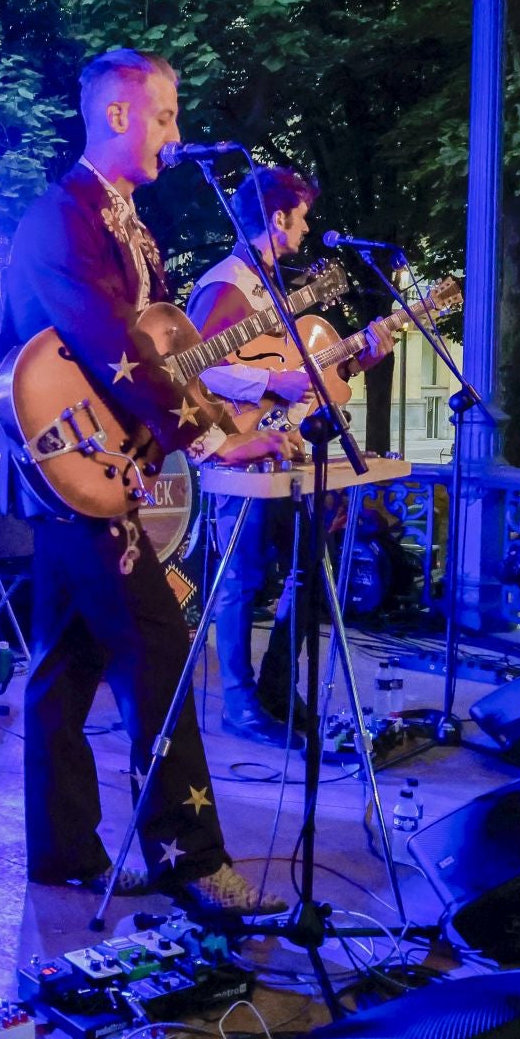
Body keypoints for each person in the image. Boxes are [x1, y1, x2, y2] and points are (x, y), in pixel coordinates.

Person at [0, 47, 287, 917]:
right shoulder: (63, 216)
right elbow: (102, 344)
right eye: (164, 115)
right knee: (158, 648)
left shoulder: (133, 226)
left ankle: (61, 852)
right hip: (73, 477)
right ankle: (188, 856)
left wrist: (219, 419)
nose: (176, 133)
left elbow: (160, 352)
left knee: (64, 664)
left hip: (96, 475)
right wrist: (205, 439)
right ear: (117, 115)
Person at [184, 166, 387, 745]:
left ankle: (275, 688)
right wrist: (272, 380)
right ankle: (240, 704)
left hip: (282, 454)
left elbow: (298, 374)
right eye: (301, 217)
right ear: (277, 217)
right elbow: (195, 369)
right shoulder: (226, 285)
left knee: (308, 570)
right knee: (242, 579)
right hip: (237, 454)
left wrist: (356, 360)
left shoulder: (271, 286)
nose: (305, 229)